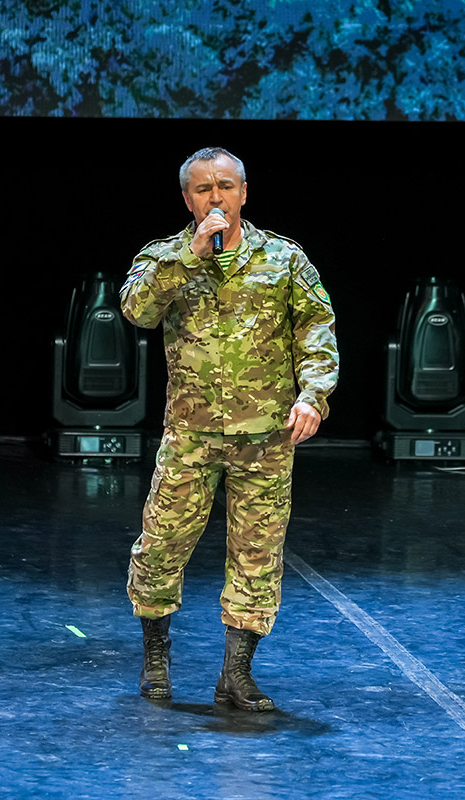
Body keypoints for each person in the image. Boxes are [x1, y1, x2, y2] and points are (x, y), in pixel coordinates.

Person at [120, 146, 339, 711]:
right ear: (187, 199)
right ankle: (155, 657)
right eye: (203, 189)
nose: (215, 196)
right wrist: (188, 258)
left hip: (265, 439)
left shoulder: (284, 258)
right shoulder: (164, 257)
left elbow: (316, 332)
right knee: (161, 547)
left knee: (257, 557)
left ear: (244, 192)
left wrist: (313, 396)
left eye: (225, 186)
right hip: (190, 436)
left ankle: (236, 674)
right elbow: (137, 311)